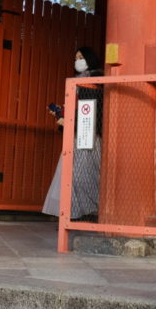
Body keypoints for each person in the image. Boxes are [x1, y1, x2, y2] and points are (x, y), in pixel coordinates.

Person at [42, 47, 102, 219]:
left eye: (81, 57)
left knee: (84, 175)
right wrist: (62, 113)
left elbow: (92, 110)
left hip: (89, 134)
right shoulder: (75, 82)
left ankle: (90, 211)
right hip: (76, 134)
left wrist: (71, 119)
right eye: (76, 58)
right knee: (69, 173)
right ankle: (72, 213)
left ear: (89, 59)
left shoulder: (97, 81)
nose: (78, 61)